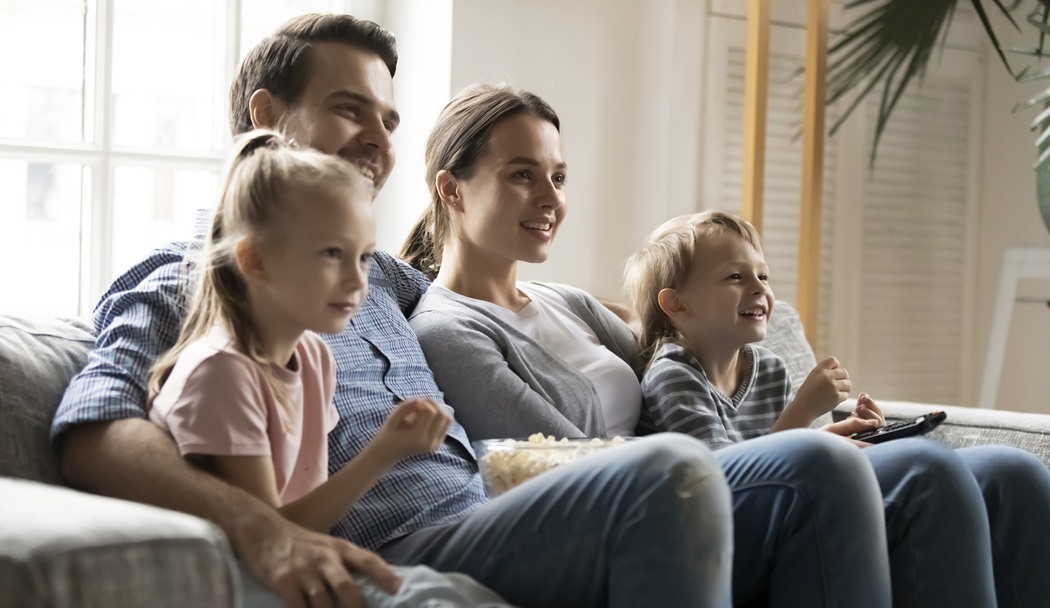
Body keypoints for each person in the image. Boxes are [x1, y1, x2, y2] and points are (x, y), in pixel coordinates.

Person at [51, 13, 739, 608]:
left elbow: (496, 297)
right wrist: (264, 530)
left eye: (388, 120)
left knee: (818, 474)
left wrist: (671, 315)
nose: (380, 138)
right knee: (668, 474)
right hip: (394, 544)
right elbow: (93, 432)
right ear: (265, 118)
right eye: (350, 109)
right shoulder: (188, 276)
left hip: (490, 518)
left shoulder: (384, 279)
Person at [401, 81, 1050, 607]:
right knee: (899, 471)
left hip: (709, 472)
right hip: (656, 504)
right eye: (523, 175)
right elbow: (571, 467)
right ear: (451, 188)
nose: (551, 198)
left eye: (559, 177)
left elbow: (688, 361)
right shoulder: (450, 330)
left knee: (1007, 474)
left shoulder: (563, 301)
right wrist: (793, 438)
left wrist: (822, 416)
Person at [623, 209, 1050, 607]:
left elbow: (802, 457)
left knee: (1012, 471)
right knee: (925, 470)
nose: (760, 289)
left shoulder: (766, 368)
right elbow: (724, 479)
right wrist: (804, 411)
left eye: (764, 276)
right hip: (725, 528)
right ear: (676, 304)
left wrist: (854, 438)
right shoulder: (673, 374)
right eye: (735, 276)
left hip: (795, 494)